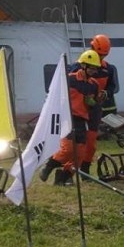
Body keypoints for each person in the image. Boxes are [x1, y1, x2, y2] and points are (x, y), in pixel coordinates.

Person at [39, 49, 104, 185]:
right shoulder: (69, 79)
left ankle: (63, 177)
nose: (94, 71)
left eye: (95, 69)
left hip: (82, 120)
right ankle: (49, 166)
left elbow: (95, 104)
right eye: (92, 68)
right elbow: (54, 95)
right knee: (68, 149)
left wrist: (96, 102)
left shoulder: (94, 85)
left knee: (80, 155)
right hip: (67, 118)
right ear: (84, 66)